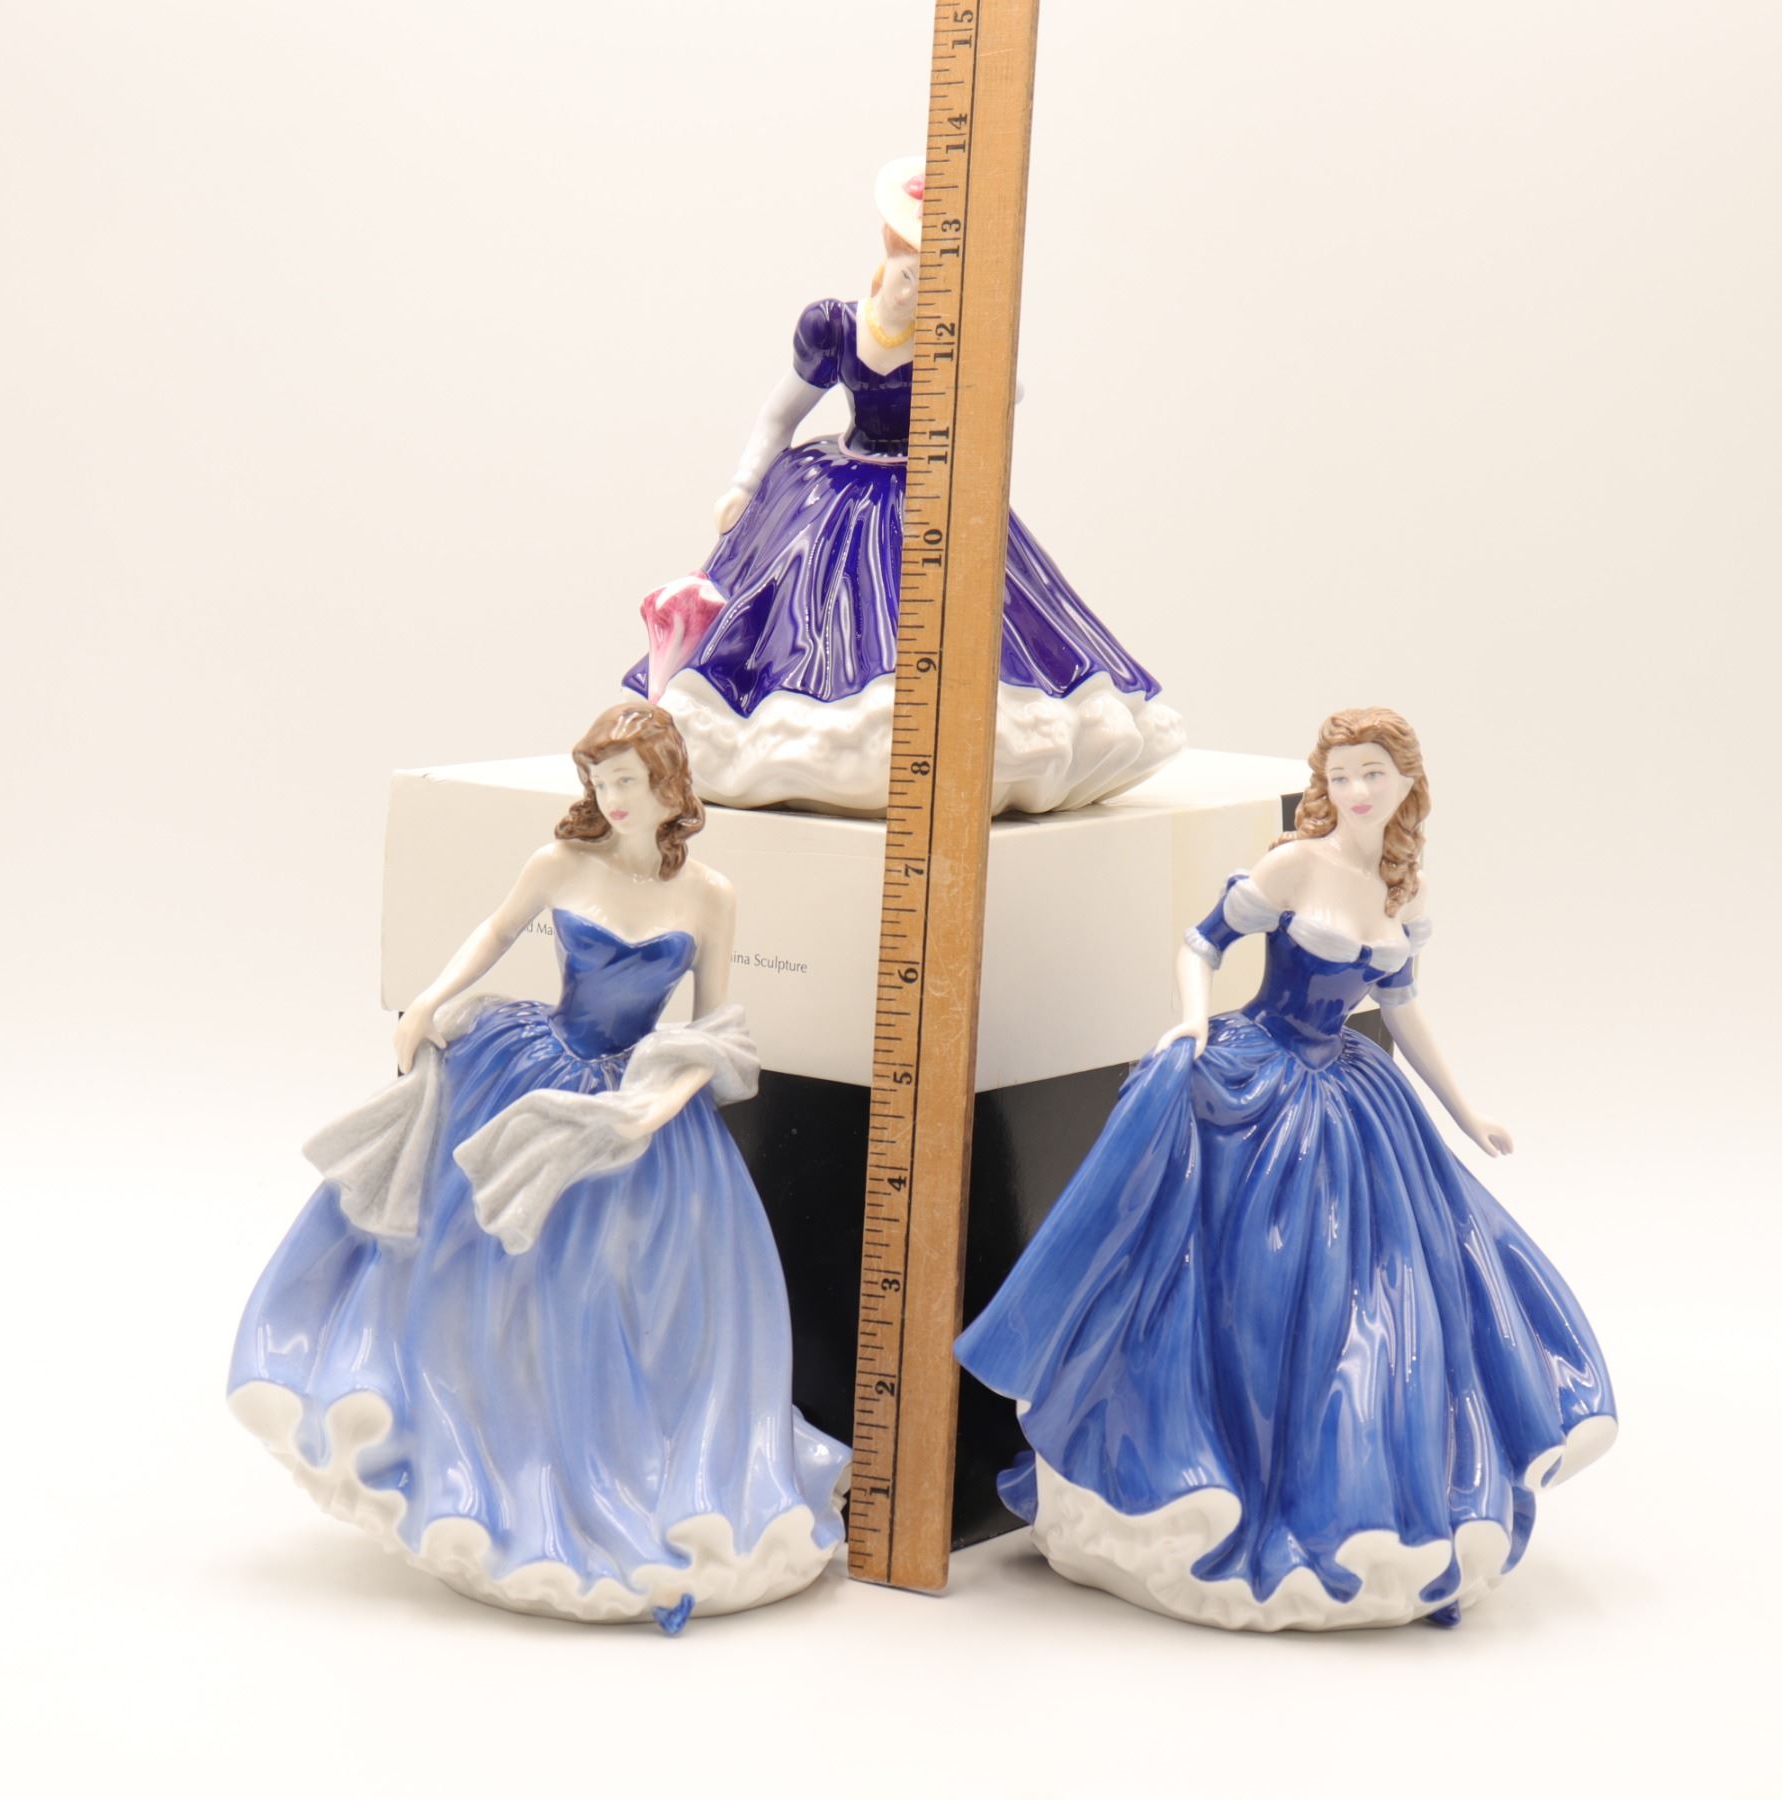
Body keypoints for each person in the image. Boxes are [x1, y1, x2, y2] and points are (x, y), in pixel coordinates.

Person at [955, 707, 1615, 1629]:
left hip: (1349, 1091)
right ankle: (1199, 1466)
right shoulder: (1294, 865)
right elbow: (1201, 943)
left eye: (1373, 773)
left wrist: (1466, 1113)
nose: (1356, 790)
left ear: (1407, 783)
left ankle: (1357, 1492)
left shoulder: (1404, 890)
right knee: (1243, 1285)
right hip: (1258, 1078)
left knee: (1387, 1287)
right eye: (1341, 774)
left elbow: (1402, 1008)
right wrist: (1192, 1019)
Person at [229, 702, 849, 1632]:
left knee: (638, 1289)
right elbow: (494, 932)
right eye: (600, 781)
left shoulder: (710, 895)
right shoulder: (562, 864)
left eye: (628, 781)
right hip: (536, 1069)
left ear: (670, 784)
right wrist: (429, 1001)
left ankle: (620, 1460)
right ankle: (484, 1439)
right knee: (490, 1261)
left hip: (642, 1108)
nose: (613, 797)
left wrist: (650, 1106)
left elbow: (716, 1027)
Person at [624, 156, 1185, 815]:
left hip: (927, 492)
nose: (910, 294)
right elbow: (781, 413)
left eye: (931, 283)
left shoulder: (948, 339)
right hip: (834, 489)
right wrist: (744, 485)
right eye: (907, 274)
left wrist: (984, 349)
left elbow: (1005, 395)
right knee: (811, 603)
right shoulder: (834, 327)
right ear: (886, 257)